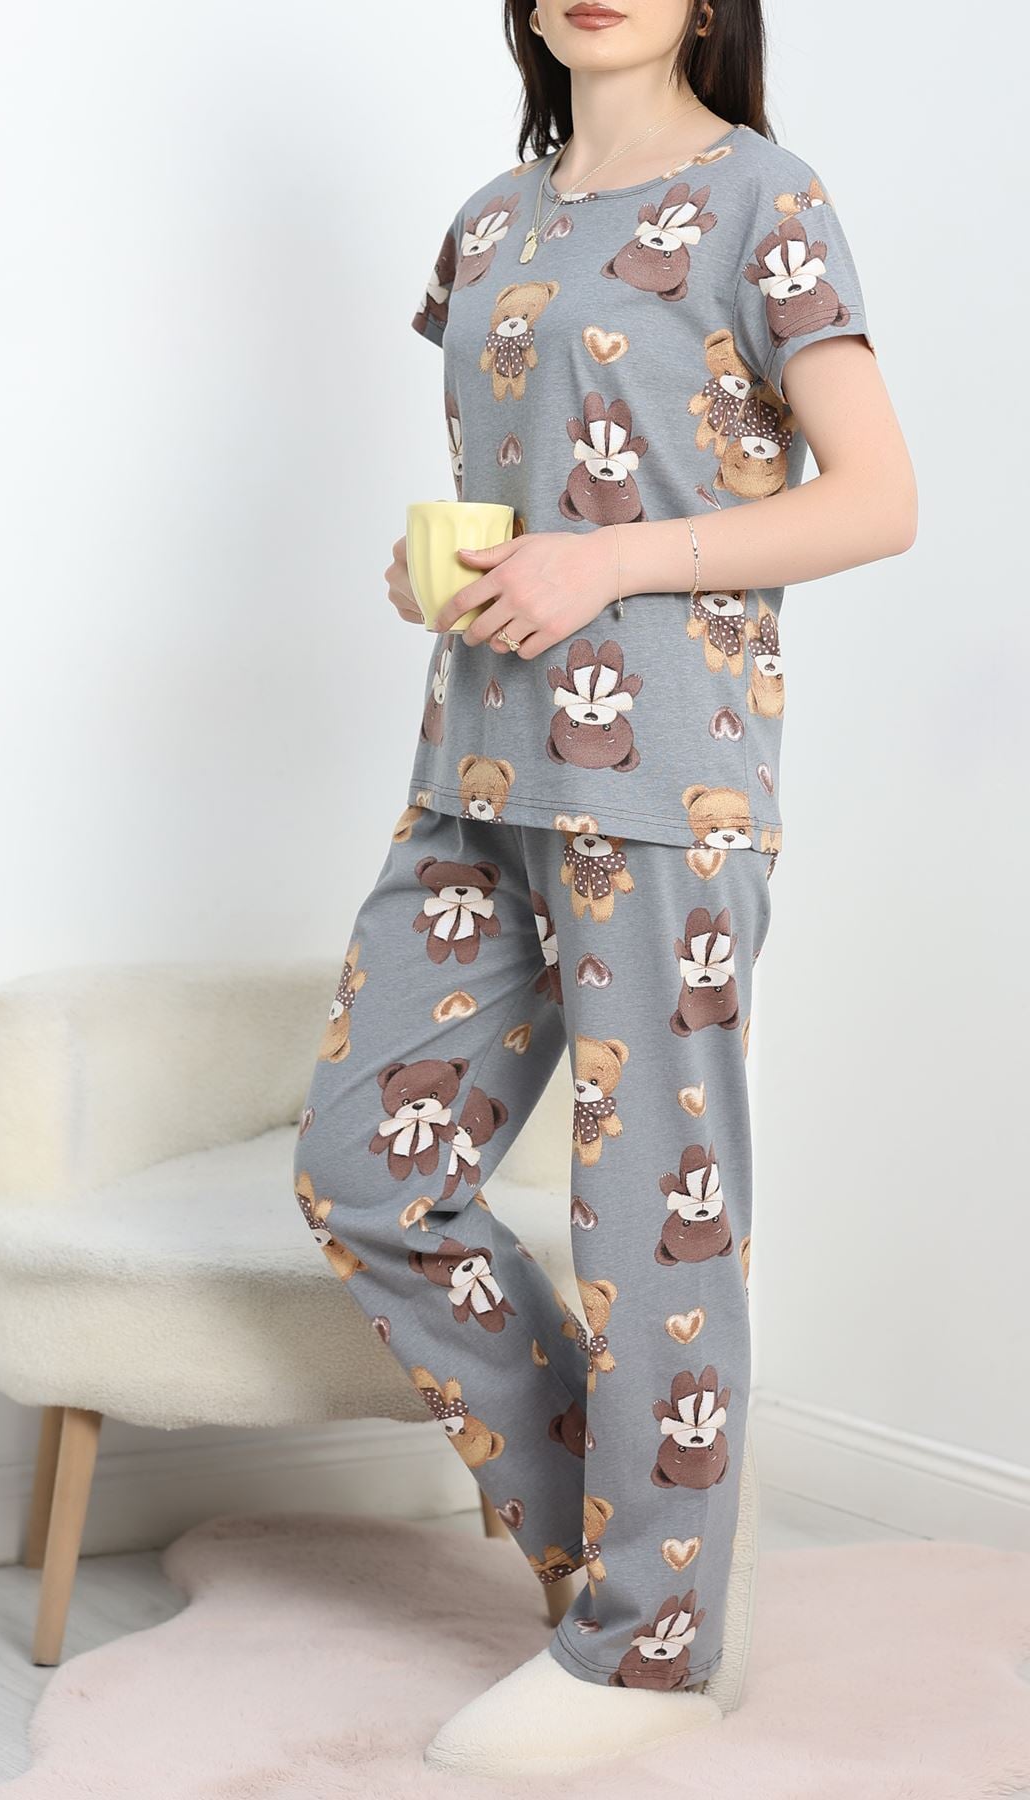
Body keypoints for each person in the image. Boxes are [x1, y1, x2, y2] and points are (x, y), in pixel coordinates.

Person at [292, 0, 916, 1776]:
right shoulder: (492, 220)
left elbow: (877, 500)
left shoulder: (766, 197)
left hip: (666, 781)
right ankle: (646, 1575)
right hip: (474, 762)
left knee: (650, 1218)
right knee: (366, 1171)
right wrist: (447, 574)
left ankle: (642, 1653)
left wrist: (605, 567)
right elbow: (534, 483)